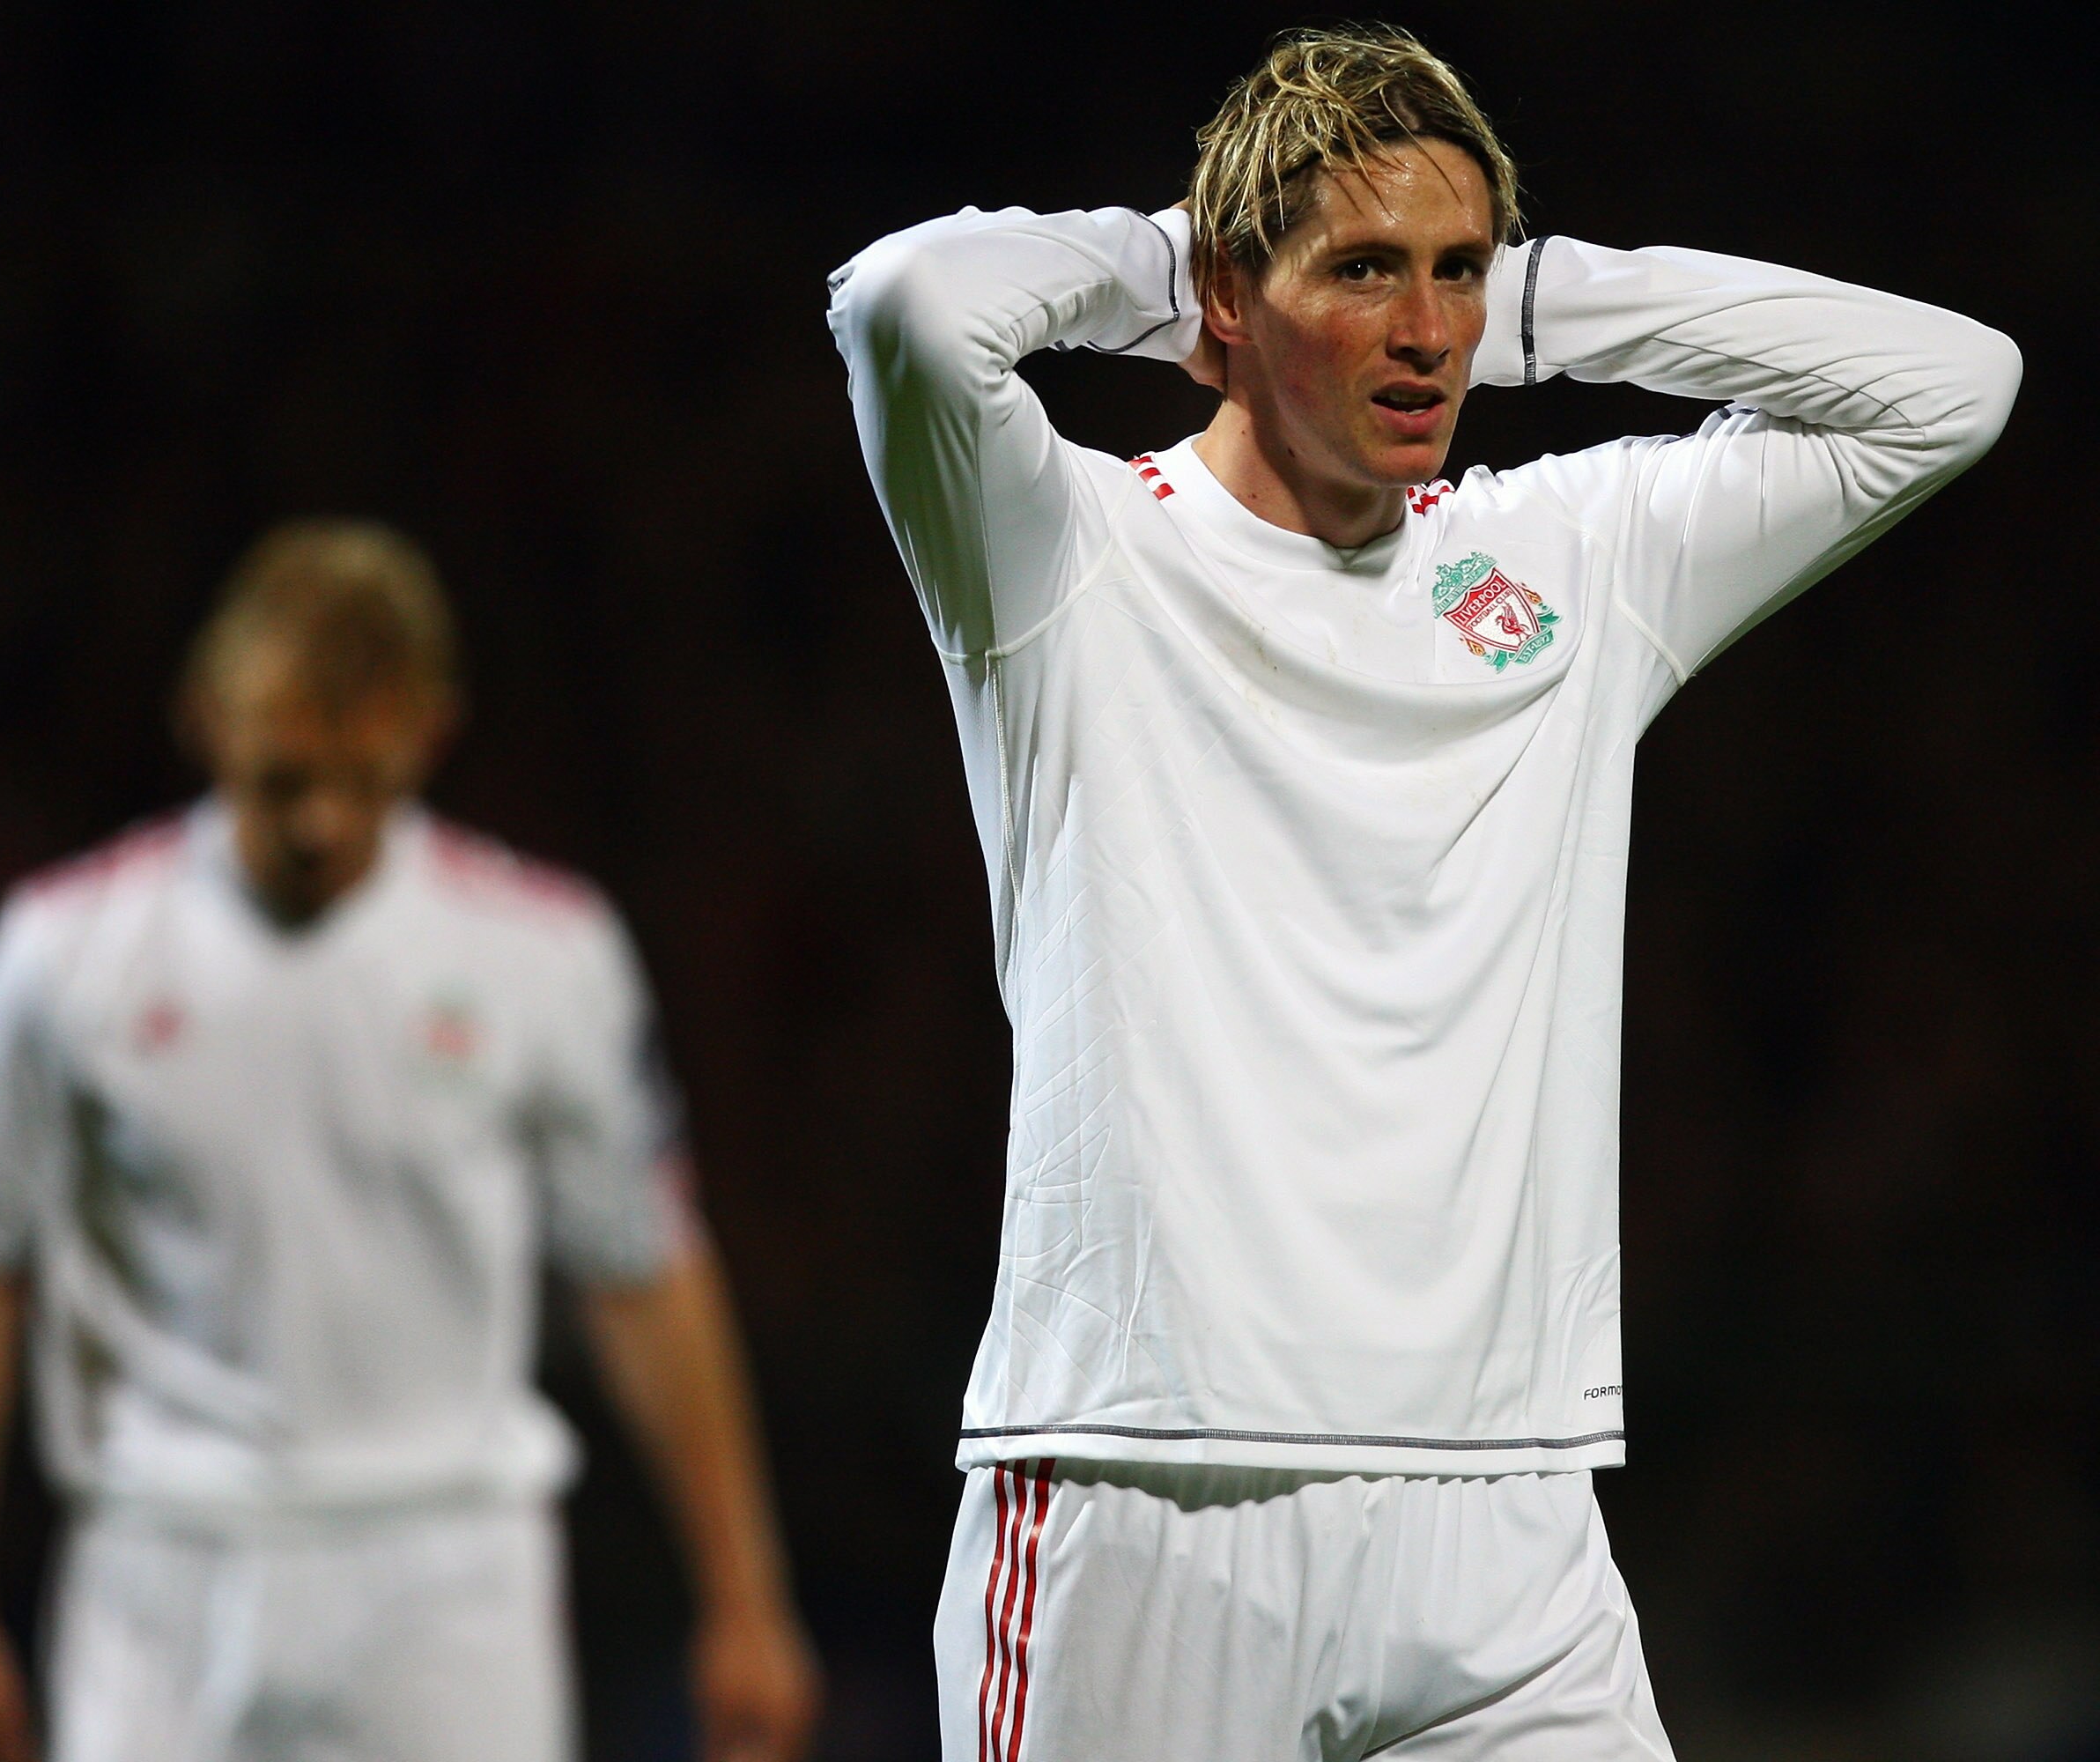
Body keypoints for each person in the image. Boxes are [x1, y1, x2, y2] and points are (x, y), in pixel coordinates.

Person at [829, 22, 2017, 1762]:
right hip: (1156, 1495)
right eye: (1365, 269)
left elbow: (1950, 386)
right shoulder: (1068, 558)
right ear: (1228, 297)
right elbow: (907, 306)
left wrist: (1544, 305)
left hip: (1509, 1520)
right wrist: (1175, 265)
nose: (1427, 328)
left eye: (1459, 271)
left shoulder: (1574, 564)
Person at [0, 521, 821, 1762]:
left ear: (430, 731)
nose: (321, 822)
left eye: (363, 781)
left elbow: (643, 1272)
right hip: (163, 1561)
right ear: (206, 718)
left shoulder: (546, 956)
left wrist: (745, 1598)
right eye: (283, 778)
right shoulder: (60, 956)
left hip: (445, 1576)